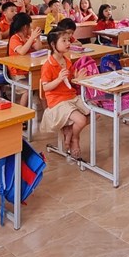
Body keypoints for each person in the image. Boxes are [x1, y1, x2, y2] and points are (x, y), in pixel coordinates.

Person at [39, 28, 90, 159]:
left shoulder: (66, 61)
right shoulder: (48, 65)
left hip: (71, 96)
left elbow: (70, 81)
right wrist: (58, 79)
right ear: (53, 44)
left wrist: (77, 78)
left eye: (69, 40)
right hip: (57, 101)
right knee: (81, 120)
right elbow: (45, 88)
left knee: (96, 112)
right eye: (64, 41)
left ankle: (69, 130)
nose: (68, 43)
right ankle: (75, 139)